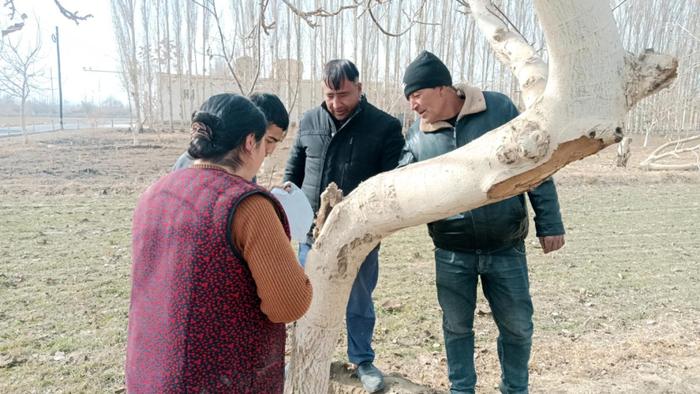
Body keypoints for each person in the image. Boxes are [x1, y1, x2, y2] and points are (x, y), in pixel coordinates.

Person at [399, 50, 566, 394]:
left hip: (505, 247)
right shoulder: (419, 136)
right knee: (457, 327)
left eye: (417, 95)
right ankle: (462, 390)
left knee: (518, 327)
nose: (413, 105)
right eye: (409, 99)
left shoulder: (499, 109)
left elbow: (534, 164)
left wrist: (549, 222)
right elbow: (404, 182)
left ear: (442, 88)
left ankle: (515, 389)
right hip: (451, 252)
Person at [126, 93, 312, 393]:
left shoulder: (154, 194)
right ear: (250, 142)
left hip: (150, 371)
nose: (267, 153)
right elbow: (288, 304)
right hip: (220, 378)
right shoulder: (248, 206)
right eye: (266, 143)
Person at [283, 59, 404, 393]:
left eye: (344, 94)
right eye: (329, 95)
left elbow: (392, 184)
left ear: (359, 88)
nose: (336, 103)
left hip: (359, 235)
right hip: (312, 233)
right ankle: (304, 354)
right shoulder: (309, 121)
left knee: (359, 299)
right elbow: (292, 174)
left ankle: (362, 360)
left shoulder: (384, 127)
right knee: (304, 298)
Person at [172, 92, 290, 171]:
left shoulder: (243, 167)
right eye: (269, 140)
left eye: (276, 142)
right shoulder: (226, 166)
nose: (270, 150)